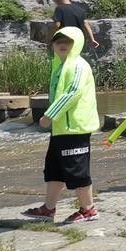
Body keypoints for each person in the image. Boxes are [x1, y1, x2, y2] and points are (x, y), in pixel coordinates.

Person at [23, 27, 102, 225]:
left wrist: (50, 115)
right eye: (58, 41)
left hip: (75, 127)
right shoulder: (60, 65)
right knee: (54, 170)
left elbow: (72, 93)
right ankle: (48, 209)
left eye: (67, 42)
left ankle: (88, 209)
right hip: (62, 128)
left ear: (76, 44)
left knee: (77, 171)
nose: (62, 45)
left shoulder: (78, 65)